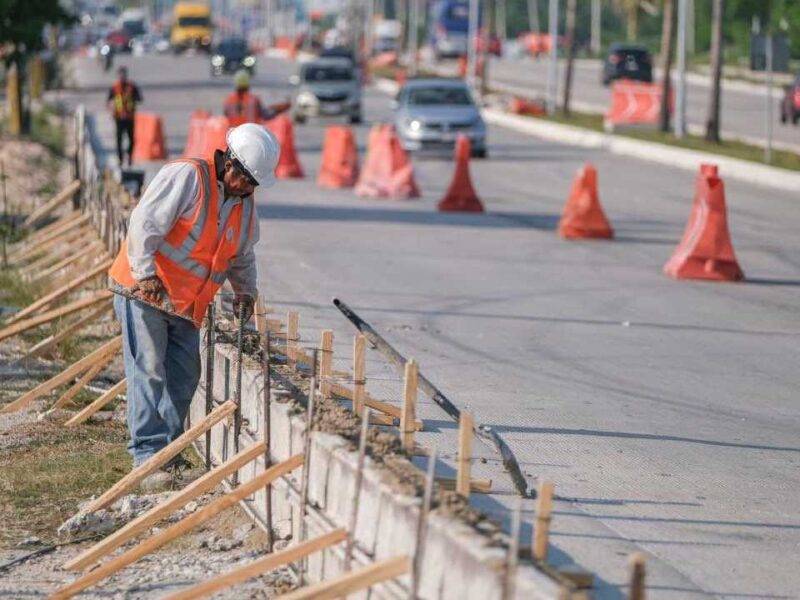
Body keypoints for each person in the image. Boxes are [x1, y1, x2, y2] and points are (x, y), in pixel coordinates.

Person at [108, 123, 281, 488]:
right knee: (150, 371)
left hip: (186, 306)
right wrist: (145, 273)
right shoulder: (189, 177)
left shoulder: (244, 206)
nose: (248, 189)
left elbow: (242, 254)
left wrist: (245, 292)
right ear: (229, 163)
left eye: (254, 184)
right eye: (245, 180)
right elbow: (145, 223)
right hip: (146, 292)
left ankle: (167, 454)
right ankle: (146, 458)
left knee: (185, 376)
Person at [223, 69, 289, 126]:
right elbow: (266, 115)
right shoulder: (254, 100)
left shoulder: (229, 101)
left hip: (234, 136)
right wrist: (279, 109)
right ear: (248, 84)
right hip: (252, 135)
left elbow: (226, 119)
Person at [107, 67, 143, 167]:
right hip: (118, 118)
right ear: (118, 76)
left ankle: (129, 158)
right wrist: (111, 110)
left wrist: (134, 99)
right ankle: (120, 159)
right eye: (120, 75)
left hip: (129, 117)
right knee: (119, 140)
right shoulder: (114, 87)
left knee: (131, 140)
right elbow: (109, 100)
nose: (121, 77)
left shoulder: (132, 87)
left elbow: (140, 98)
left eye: (123, 75)